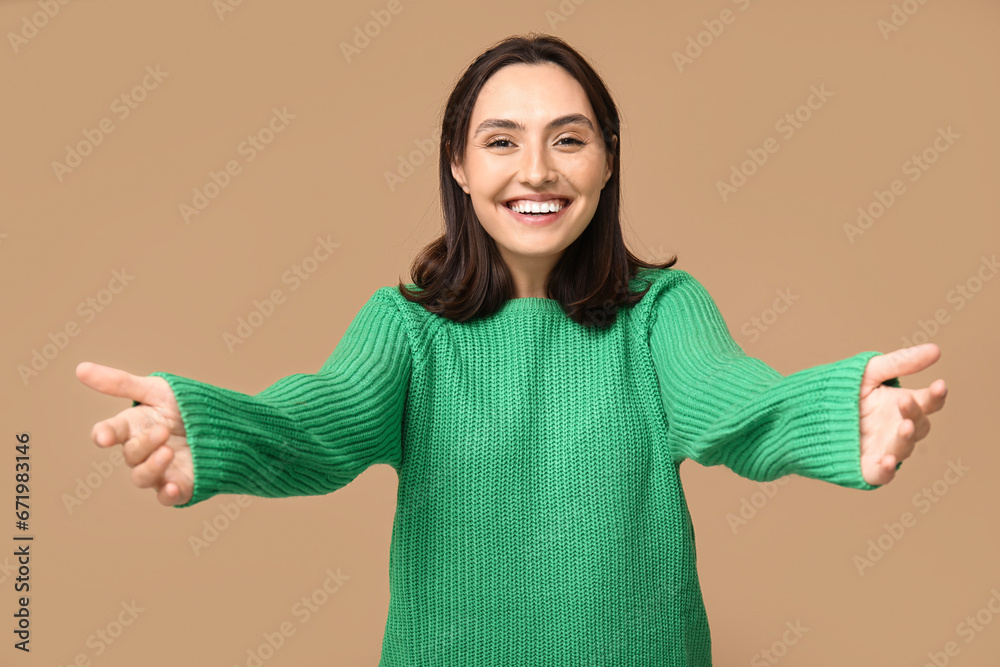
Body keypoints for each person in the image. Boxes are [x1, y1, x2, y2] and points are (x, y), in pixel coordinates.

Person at [76, 32, 947, 667]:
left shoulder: (661, 315)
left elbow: (734, 402)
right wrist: (214, 426)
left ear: (607, 162)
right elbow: (321, 418)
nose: (537, 170)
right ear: (458, 165)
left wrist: (836, 411)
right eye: (501, 142)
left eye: (569, 139)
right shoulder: (407, 326)